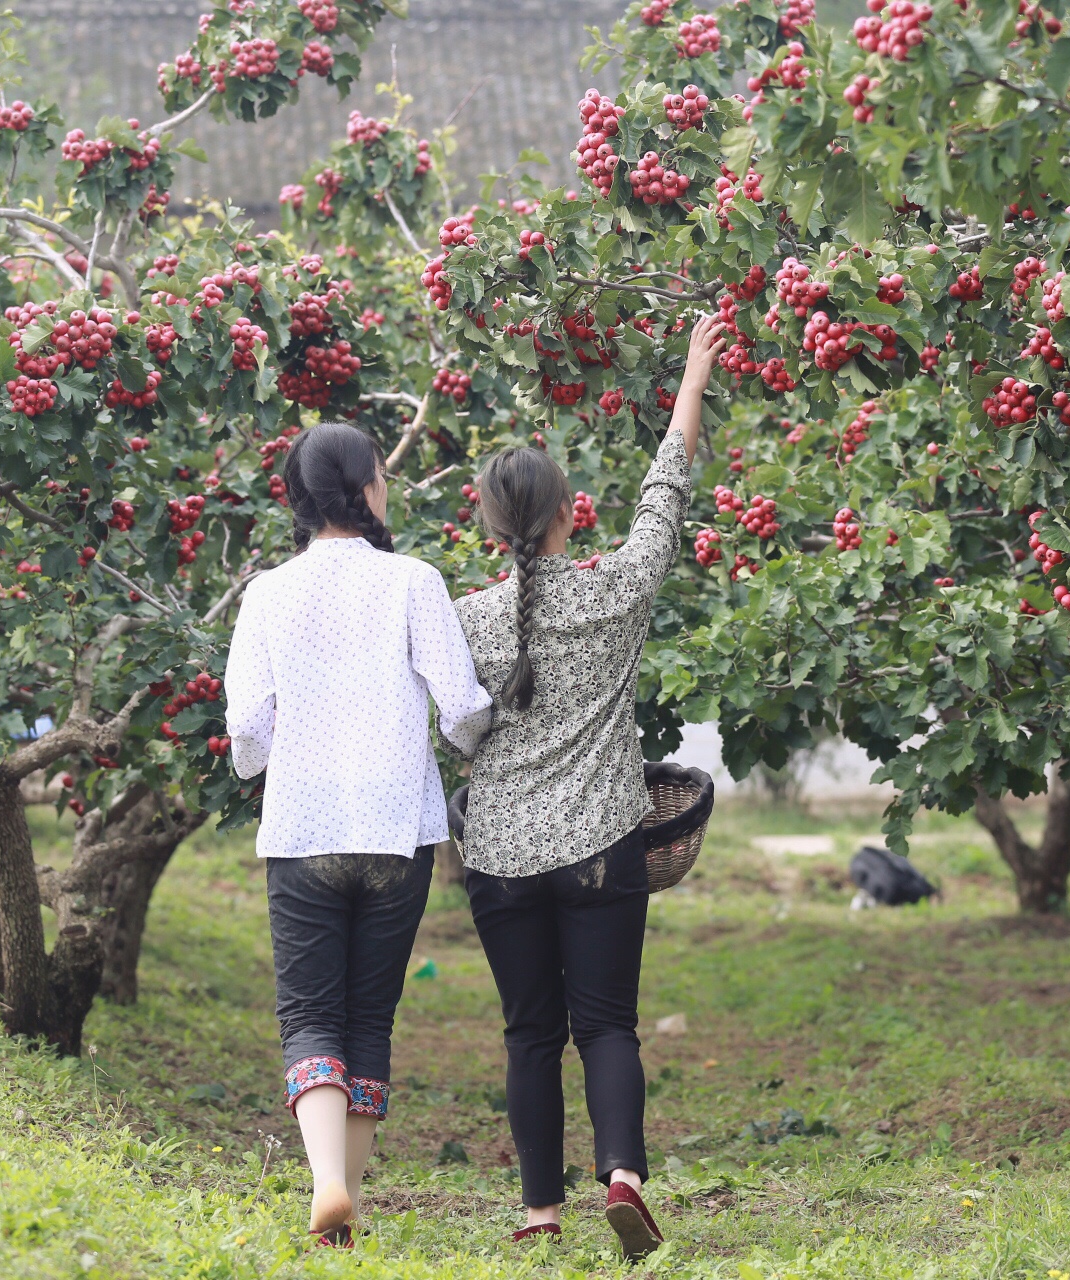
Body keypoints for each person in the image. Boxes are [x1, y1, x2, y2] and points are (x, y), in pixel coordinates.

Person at [454, 315, 729, 1260]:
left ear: (488, 525)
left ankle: (538, 1211)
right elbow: (666, 491)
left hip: (497, 856)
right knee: (608, 1025)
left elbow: (449, 726)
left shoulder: (464, 622)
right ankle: (622, 1175)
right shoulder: (618, 588)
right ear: (573, 512)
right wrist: (692, 376)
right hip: (602, 848)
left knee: (529, 1033)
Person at [224, 422, 493, 1246]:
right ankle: (352, 1203)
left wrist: (273, 756)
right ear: (362, 488)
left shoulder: (267, 592)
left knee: (308, 1014)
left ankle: (328, 1185)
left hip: (304, 824)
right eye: (380, 475)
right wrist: (479, 743)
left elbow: (246, 734)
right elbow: (464, 711)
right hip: (393, 831)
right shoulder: (415, 581)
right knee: (369, 1017)